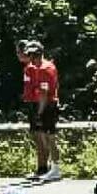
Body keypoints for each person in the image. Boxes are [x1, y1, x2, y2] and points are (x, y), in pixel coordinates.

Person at [20, 41, 61, 180]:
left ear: (39, 55)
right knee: (44, 139)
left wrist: (39, 112)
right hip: (41, 105)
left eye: (33, 56)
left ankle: (55, 169)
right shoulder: (36, 68)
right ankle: (47, 168)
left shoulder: (45, 69)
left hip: (47, 106)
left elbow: (44, 93)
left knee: (50, 138)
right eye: (30, 56)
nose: (31, 59)